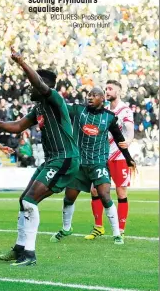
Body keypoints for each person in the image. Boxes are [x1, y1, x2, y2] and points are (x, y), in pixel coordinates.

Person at [0, 47, 79, 267]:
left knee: (30, 201)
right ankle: (20, 249)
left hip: (65, 158)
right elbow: (18, 126)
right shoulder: (38, 108)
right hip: (52, 159)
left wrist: (21, 63)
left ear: (42, 85)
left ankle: (30, 254)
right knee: (24, 200)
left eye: (32, 85)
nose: (29, 88)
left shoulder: (54, 99)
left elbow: (39, 84)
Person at [50, 87, 136, 245]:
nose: (89, 97)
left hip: (98, 163)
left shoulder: (109, 117)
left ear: (102, 99)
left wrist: (128, 158)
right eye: (88, 95)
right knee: (69, 197)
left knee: (105, 195)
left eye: (94, 95)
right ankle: (66, 228)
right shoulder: (78, 110)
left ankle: (117, 234)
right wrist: (48, 95)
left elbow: (119, 138)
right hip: (79, 163)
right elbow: (60, 105)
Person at [86, 80, 135, 240]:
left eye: (110, 89)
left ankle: (120, 229)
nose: (107, 91)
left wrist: (127, 143)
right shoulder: (104, 110)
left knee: (121, 192)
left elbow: (130, 132)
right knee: (95, 189)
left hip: (119, 157)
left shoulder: (125, 111)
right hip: (102, 156)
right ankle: (98, 227)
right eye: (105, 88)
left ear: (118, 91)